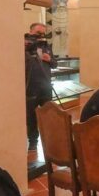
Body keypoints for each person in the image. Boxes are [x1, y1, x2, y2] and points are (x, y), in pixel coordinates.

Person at [25, 22, 57, 150]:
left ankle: (50, 141)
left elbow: (55, 64)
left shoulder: (46, 46)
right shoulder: (24, 46)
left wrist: (49, 59)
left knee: (49, 115)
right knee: (31, 117)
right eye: (38, 33)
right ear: (31, 32)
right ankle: (33, 142)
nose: (41, 36)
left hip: (46, 87)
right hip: (31, 87)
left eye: (43, 33)